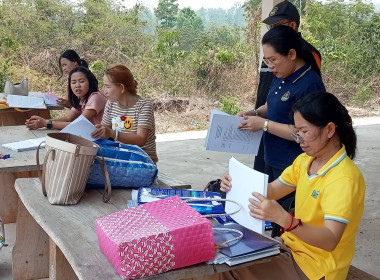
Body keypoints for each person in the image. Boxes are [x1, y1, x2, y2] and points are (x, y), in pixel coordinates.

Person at [216, 92, 365, 280]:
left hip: (317, 268)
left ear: (329, 129)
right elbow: (269, 191)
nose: (299, 140)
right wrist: (235, 184)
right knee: (220, 262)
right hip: (292, 249)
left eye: (305, 132)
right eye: (297, 132)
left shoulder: (344, 178)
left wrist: (286, 220)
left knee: (225, 271)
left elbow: (329, 240)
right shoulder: (305, 161)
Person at [251, 0, 322, 174]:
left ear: (291, 54)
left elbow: (303, 132)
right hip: (271, 156)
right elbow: (271, 104)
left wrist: (264, 124)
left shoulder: (308, 82)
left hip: (293, 164)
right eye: (267, 61)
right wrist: (254, 114)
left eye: (273, 60)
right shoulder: (281, 73)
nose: (270, 66)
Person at [91, 65, 158, 164]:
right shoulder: (111, 103)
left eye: (107, 86)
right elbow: (104, 131)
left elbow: (140, 140)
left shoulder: (144, 105)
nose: (104, 90)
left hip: (142, 161)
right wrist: (99, 132)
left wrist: (111, 133)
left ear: (121, 88)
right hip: (121, 157)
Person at [25, 66, 106, 130]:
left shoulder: (96, 97)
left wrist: (45, 123)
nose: (77, 85)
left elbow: (78, 124)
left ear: (90, 82)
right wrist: (40, 121)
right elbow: (68, 118)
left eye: (81, 81)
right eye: (73, 82)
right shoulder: (80, 98)